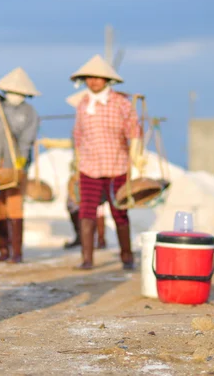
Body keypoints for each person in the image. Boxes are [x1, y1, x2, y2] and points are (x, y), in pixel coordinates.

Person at [71, 55, 144, 270]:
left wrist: (138, 157)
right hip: (89, 167)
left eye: (98, 78)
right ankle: (87, 258)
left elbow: (134, 132)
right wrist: (77, 163)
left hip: (116, 166)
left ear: (107, 80)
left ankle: (126, 255)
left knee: (119, 212)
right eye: (89, 78)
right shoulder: (83, 104)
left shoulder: (122, 103)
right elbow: (78, 135)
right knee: (86, 212)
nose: (93, 82)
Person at [0, 67, 40, 263]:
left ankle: (17, 252)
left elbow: (28, 138)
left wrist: (21, 160)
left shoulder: (29, 112)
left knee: (14, 206)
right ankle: (3, 249)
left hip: (16, 166)